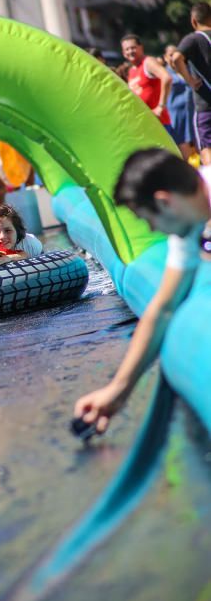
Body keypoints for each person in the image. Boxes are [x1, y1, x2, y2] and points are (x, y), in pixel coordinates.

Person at [74, 148, 211, 435]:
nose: (151, 228)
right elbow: (163, 308)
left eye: (148, 218)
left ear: (165, 202)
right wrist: (118, 389)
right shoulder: (188, 226)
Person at [171, 2, 211, 166]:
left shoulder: (192, 39)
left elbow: (175, 59)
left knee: (207, 148)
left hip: (205, 106)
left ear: (193, 21)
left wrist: (190, 80)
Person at [121, 34, 172, 127]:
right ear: (123, 53)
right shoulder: (132, 70)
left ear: (141, 48)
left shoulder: (148, 62)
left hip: (159, 124)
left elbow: (167, 78)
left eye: (133, 48)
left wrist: (160, 107)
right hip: (144, 126)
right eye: (127, 49)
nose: (130, 51)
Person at [164, 44, 195, 161]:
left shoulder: (188, 70)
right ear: (165, 57)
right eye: (170, 55)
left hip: (191, 113)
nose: (173, 58)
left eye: (175, 54)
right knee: (182, 146)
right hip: (175, 116)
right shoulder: (164, 73)